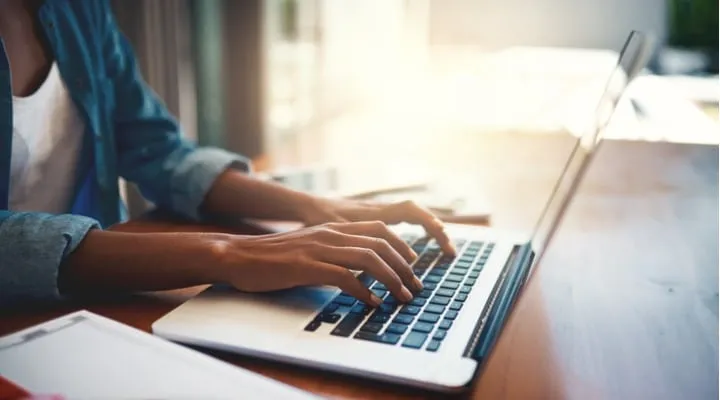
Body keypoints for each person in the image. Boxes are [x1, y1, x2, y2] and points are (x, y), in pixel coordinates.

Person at [0, 0, 455, 308]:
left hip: (102, 300)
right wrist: (228, 253)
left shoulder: (80, 10)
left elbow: (158, 149)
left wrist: (314, 208)